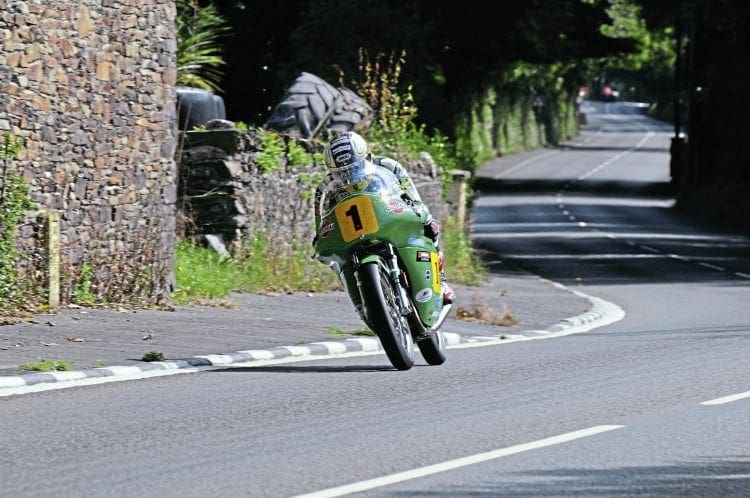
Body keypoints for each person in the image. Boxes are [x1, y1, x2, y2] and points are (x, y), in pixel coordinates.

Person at [313, 131, 455, 305]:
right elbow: (320, 217)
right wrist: (320, 236)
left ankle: (441, 279)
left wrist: (419, 208)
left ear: (364, 157)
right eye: (341, 172)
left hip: (388, 214)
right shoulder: (324, 187)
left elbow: (410, 190)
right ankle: (360, 299)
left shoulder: (387, 165)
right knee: (339, 262)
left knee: (430, 228)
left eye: (353, 167)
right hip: (352, 231)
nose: (348, 175)